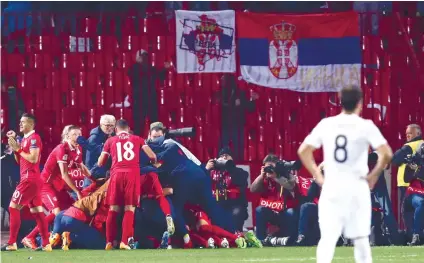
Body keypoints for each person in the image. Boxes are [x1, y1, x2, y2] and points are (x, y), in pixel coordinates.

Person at [297, 87, 393, 263]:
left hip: (332, 187)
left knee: (327, 239)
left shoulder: (327, 124)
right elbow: (386, 153)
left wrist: (317, 174)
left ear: (340, 101)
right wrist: (374, 175)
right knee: (361, 240)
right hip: (357, 187)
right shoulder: (365, 126)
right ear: (360, 103)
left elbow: (303, 150)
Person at [21, 125, 92, 249]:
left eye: (79, 134)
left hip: (58, 188)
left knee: (71, 210)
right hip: (45, 186)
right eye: (74, 134)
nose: (77, 137)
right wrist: (77, 191)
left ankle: (62, 236)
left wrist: (94, 179)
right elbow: (64, 174)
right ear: (67, 136)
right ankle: (30, 237)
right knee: (57, 213)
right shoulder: (61, 149)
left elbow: (81, 167)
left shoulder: (78, 149)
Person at [97, 119, 157, 250]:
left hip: (116, 175)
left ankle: (109, 242)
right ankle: (124, 242)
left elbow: (100, 162)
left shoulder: (110, 141)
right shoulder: (138, 139)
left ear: (116, 130)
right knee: (129, 209)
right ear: (128, 129)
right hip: (132, 175)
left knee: (113, 209)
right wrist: (152, 161)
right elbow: (152, 156)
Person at [1, 113, 51, 251]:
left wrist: (19, 149)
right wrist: (17, 150)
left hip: (29, 179)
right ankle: (46, 244)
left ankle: (12, 242)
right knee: (37, 211)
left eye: (23, 122)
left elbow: (34, 159)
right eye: (20, 122)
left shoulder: (34, 138)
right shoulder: (24, 140)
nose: (20, 124)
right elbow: (20, 161)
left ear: (31, 124)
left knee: (13, 208)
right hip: (31, 179)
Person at [205, 147, 249, 232]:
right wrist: (206, 169)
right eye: (221, 156)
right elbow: (200, 182)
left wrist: (229, 166)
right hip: (217, 204)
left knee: (237, 212)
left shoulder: (240, 172)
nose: (224, 157)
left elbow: (240, 183)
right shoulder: (211, 172)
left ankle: (237, 234)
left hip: (234, 205)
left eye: (227, 156)